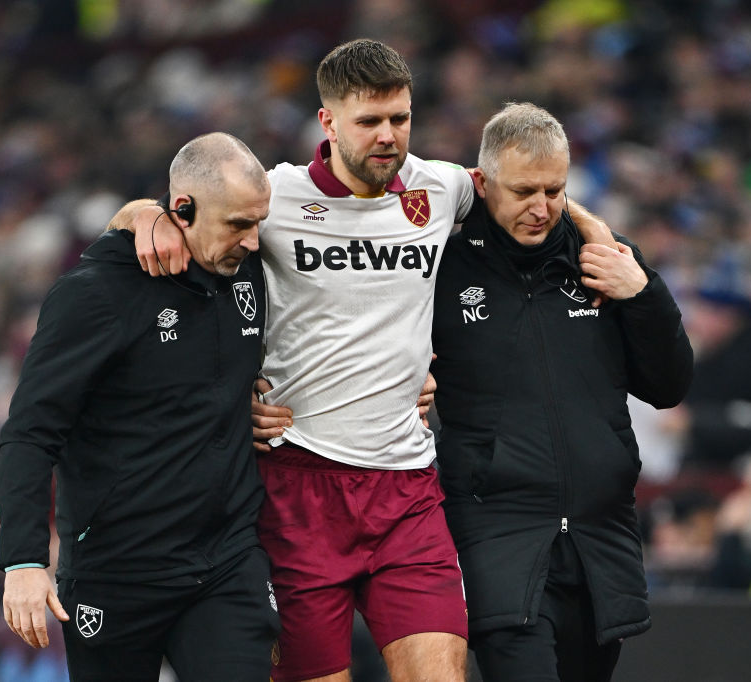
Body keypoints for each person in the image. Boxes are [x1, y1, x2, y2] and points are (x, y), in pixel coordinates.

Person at [114, 40, 614, 682]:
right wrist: (141, 218)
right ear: (328, 123)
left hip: (407, 487)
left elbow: (523, 192)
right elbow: (184, 218)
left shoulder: (439, 188)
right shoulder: (278, 198)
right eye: (369, 121)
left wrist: (595, 229)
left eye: (400, 119)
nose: (388, 136)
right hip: (298, 488)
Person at [0, 132, 279, 681]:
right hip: (116, 571)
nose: (253, 240)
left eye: (259, 222)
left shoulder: (244, 270)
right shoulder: (97, 294)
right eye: (238, 226)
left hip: (225, 563)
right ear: (183, 211)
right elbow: (30, 431)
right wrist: (25, 561)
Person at [429, 102, 694, 682]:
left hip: (601, 537)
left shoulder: (604, 257)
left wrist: (641, 292)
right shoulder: (440, 265)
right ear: (480, 183)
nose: (541, 207)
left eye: (555, 190)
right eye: (524, 190)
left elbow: (669, 386)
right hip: (498, 532)